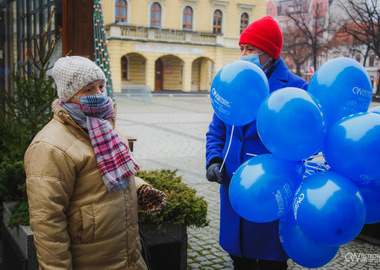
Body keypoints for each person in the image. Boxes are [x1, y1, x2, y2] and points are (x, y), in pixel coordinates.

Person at [24, 56, 166, 269]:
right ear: (69, 95)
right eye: (88, 90)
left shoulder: (107, 126)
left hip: (128, 256)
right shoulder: (49, 146)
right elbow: (48, 222)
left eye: (101, 86)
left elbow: (109, 176)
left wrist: (138, 188)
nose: (99, 94)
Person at [205, 16, 308, 270]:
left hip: (270, 190)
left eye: (250, 49)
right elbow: (216, 131)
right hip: (233, 187)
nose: (243, 54)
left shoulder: (296, 89)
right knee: (240, 260)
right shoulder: (233, 81)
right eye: (241, 48)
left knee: (272, 260)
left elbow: (305, 141)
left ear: (270, 52)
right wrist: (214, 159)